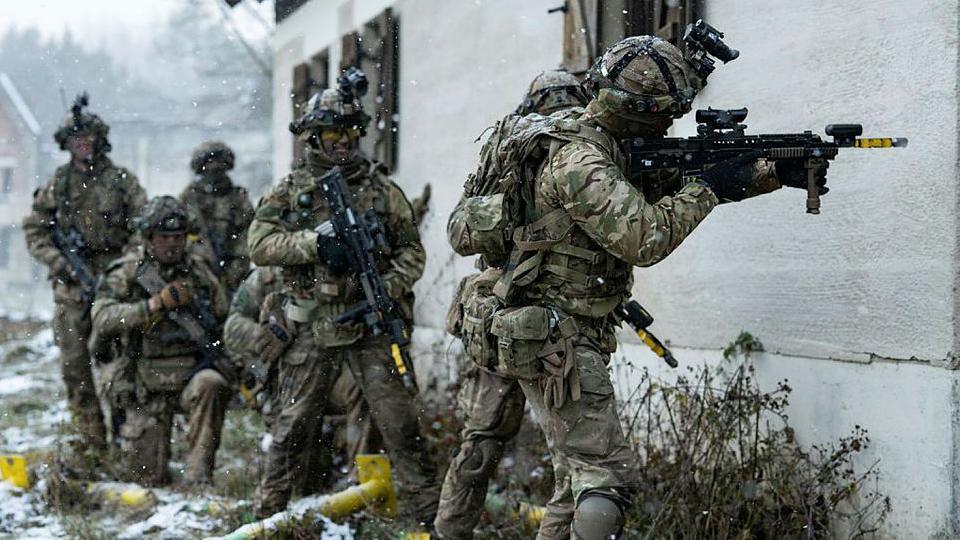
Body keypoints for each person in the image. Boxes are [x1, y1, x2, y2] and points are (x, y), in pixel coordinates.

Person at [445, 36, 826, 539]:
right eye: (662, 116)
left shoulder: (607, 145)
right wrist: (710, 187)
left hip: (559, 330)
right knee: (604, 483)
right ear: (634, 110)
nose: (669, 125)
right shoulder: (581, 161)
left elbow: (672, 182)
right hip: (556, 336)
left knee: (574, 476)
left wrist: (771, 172)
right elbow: (644, 236)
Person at [246, 70, 440, 523]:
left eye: (351, 132)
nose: (343, 142)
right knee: (292, 429)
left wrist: (385, 289)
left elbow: (411, 253)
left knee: (400, 424)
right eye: (333, 132)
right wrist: (313, 244)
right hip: (312, 324)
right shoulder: (291, 191)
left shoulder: (381, 191)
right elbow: (258, 244)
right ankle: (266, 518)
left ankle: (430, 520)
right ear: (313, 137)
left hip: (369, 325)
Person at [436, 68, 590, 540]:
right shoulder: (508, 156)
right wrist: (519, 215)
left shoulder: (587, 158)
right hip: (511, 318)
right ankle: (450, 531)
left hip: (542, 322)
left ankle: (452, 530)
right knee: (495, 441)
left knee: (562, 454)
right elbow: (461, 229)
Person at [22, 95, 146, 451]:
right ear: (67, 144)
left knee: (121, 364)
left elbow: (143, 226)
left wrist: (126, 267)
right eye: (76, 139)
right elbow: (34, 230)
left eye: (88, 138)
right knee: (75, 367)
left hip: (115, 285)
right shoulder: (58, 184)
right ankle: (91, 442)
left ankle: (129, 439)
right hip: (71, 287)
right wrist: (60, 263)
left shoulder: (122, 181)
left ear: (99, 139)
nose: (83, 145)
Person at [89, 196, 234, 486]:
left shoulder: (199, 273)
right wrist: (151, 306)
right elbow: (102, 317)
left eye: (178, 237)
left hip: (189, 377)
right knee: (146, 481)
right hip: (143, 386)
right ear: (149, 237)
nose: (172, 244)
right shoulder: (129, 272)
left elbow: (225, 318)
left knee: (212, 384)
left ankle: (198, 479)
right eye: (164, 237)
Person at [223, 265, 383, 495]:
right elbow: (232, 329)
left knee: (364, 389)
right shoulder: (265, 278)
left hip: (330, 373)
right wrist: (271, 334)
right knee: (302, 473)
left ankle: (363, 487)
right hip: (284, 383)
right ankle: (279, 501)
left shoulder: (335, 269)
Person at [179, 141, 255, 294]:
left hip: (233, 273)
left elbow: (247, 236)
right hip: (197, 272)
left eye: (219, 163)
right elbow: (181, 237)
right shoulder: (189, 198)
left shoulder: (238, 198)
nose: (214, 168)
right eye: (209, 162)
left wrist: (235, 269)